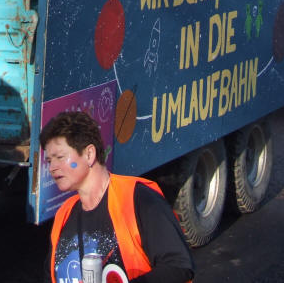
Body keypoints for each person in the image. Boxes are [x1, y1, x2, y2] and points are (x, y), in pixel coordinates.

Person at [40, 111, 194, 283]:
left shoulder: (139, 199)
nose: (52, 167)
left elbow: (179, 267)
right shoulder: (64, 214)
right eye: (49, 161)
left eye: (60, 157)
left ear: (89, 154)